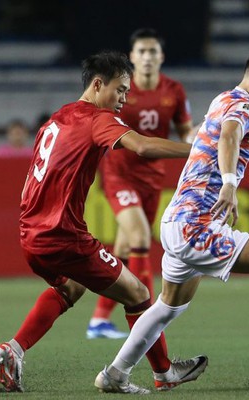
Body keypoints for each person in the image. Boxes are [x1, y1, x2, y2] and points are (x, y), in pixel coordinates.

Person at [94, 45, 249, 392]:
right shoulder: (240, 109)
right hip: (196, 225)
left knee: (167, 307)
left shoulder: (229, 99)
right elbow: (230, 135)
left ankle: (115, 374)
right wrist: (228, 183)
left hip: (176, 222)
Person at [0, 50, 208, 394]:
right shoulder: (97, 118)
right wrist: (199, 151)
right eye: (120, 90)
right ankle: (165, 373)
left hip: (31, 234)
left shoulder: (56, 119)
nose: (124, 98)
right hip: (63, 236)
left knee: (70, 288)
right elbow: (142, 146)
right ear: (97, 84)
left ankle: (13, 350)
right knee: (138, 293)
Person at [86, 28, 195, 340]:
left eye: (152, 52)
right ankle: (148, 318)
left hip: (152, 178)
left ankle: (98, 321)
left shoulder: (174, 90)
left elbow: (184, 131)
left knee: (122, 248)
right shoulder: (122, 89)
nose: (147, 57)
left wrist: (198, 137)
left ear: (161, 57)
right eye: (141, 52)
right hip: (119, 174)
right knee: (141, 237)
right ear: (132, 58)